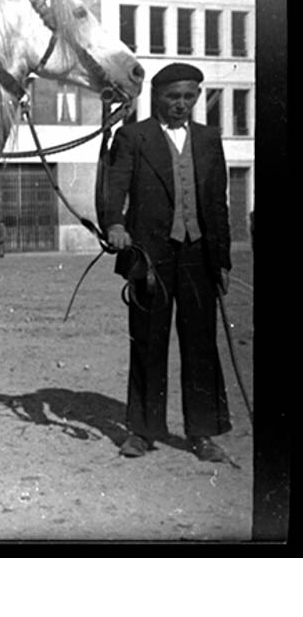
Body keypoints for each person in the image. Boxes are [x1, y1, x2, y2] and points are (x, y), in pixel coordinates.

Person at [102, 62, 233, 464]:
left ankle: (203, 433)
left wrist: (222, 261)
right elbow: (114, 188)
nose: (181, 104)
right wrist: (115, 224)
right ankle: (142, 431)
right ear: (156, 97)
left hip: (198, 257)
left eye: (189, 97)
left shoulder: (210, 139)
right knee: (148, 342)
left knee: (201, 347)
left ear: (197, 98)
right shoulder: (133, 137)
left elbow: (218, 203)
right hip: (150, 257)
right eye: (173, 97)